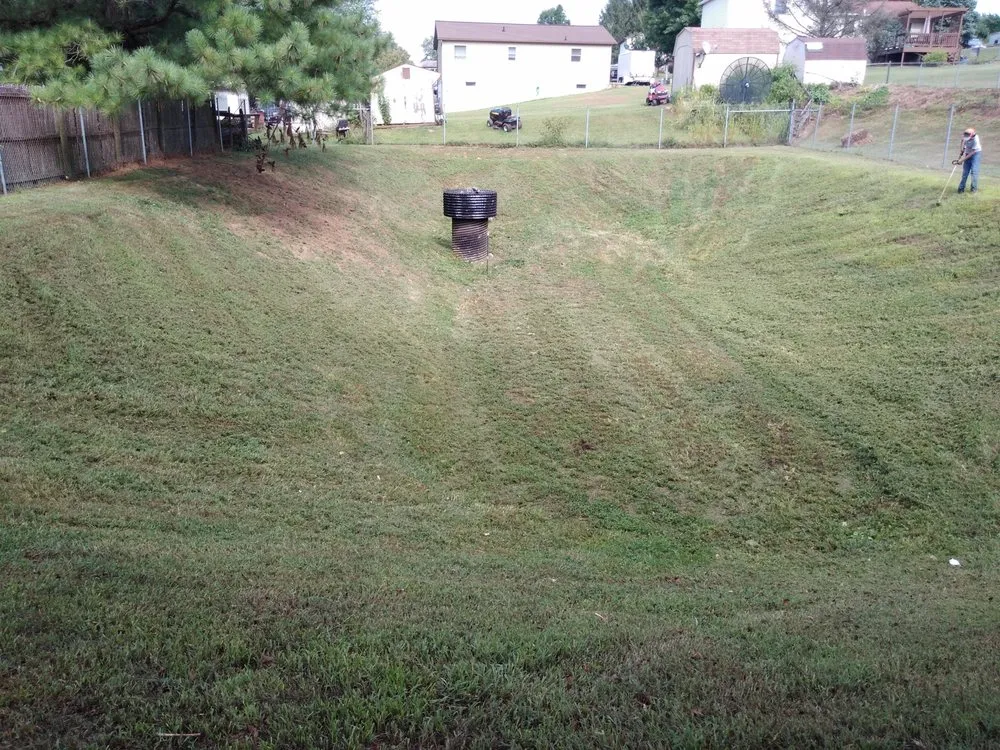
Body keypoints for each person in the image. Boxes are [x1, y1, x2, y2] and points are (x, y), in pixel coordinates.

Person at [954, 127, 982, 194]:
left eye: (967, 135)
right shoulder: (965, 135)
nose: (965, 136)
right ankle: (961, 189)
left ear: (972, 135)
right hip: (967, 152)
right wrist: (961, 150)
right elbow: (962, 141)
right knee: (965, 173)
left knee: (974, 172)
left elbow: (972, 153)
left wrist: (962, 160)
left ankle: (973, 189)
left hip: (975, 154)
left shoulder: (976, 140)